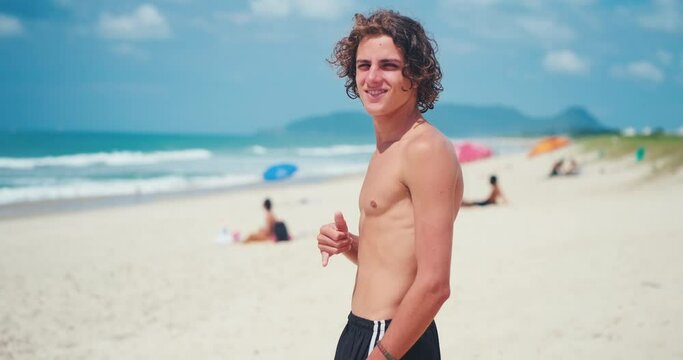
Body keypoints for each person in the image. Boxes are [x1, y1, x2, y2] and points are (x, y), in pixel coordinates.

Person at [317, 10, 463, 360]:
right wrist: (348, 243)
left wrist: (381, 355)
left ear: (415, 74)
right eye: (363, 65)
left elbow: (434, 284)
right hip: (361, 330)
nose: (372, 77)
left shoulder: (425, 149)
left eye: (388, 65)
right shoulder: (386, 149)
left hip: (393, 338)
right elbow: (395, 258)